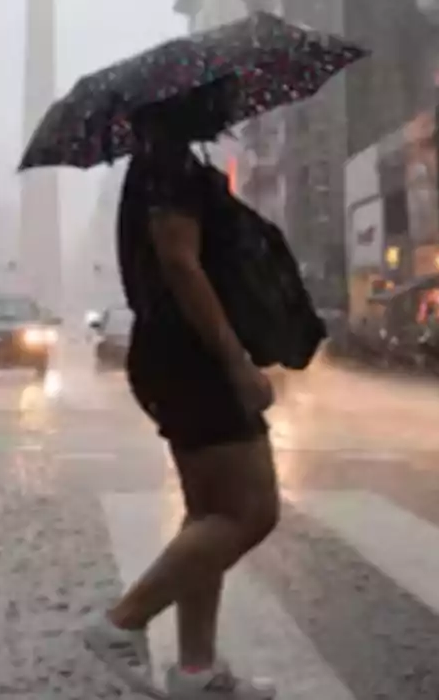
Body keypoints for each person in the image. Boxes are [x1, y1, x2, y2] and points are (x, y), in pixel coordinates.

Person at [81, 90, 280, 699]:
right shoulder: (168, 169)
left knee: (209, 515)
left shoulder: (159, 166)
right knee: (251, 512)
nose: (230, 108)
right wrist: (235, 360)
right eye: (217, 99)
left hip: (172, 354)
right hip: (192, 358)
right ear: (184, 109)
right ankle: (121, 622)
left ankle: (196, 672)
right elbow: (181, 264)